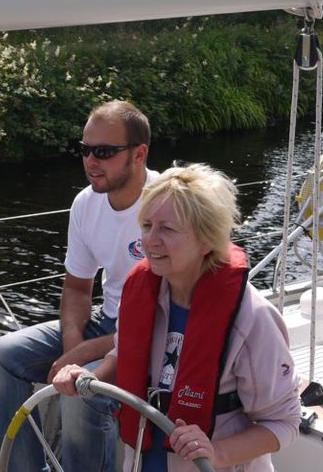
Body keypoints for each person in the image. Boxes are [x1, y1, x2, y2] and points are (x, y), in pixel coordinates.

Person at [53, 163, 302, 472]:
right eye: (147, 225)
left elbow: (285, 421)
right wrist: (88, 378)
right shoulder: (142, 293)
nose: (150, 240)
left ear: (207, 240)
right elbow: (125, 356)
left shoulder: (252, 318)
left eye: (167, 229)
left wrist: (217, 453)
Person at [0, 101, 156, 471]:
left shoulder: (167, 204)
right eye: (85, 150)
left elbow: (170, 313)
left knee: (81, 393)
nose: (91, 161)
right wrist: (73, 347)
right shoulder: (85, 204)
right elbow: (77, 288)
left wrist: (85, 354)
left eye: (104, 152)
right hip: (107, 323)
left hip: (154, 336)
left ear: (139, 154)